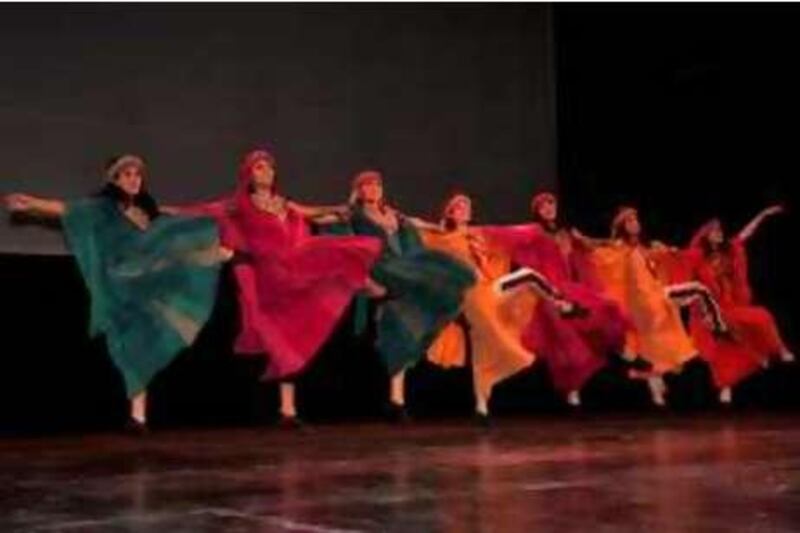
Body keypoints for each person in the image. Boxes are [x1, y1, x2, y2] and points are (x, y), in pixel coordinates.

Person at [5, 154, 228, 432]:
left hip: (145, 284)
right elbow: (68, 209)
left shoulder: (147, 211)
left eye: (137, 175)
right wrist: (32, 203)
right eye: (127, 174)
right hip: (119, 285)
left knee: (139, 345)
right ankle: (136, 414)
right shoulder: (102, 208)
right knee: (127, 346)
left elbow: (171, 236)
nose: (134, 179)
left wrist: (208, 248)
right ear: (115, 179)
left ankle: (138, 417)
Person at [168, 149, 385, 426]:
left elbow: (313, 213)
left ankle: (288, 411)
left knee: (291, 335)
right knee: (323, 266)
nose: (267, 171)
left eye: (270, 167)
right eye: (259, 167)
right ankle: (363, 284)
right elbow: (200, 210)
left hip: (293, 266)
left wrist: (341, 209)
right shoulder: (239, 205)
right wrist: (163, 211)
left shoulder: (284, 203)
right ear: (248, 174)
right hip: (270, 275)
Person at [421, 193, 582, 423]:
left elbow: (508, 234)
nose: (465, 209)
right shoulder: (444, 237)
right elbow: (421, 232)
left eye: (467, 205)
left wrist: (534, 230)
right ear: (450, 212)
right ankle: (561, 304)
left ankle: (481, 408)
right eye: (459, 206)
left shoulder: (476, 235)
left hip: (488, 293)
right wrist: (403, 219)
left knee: (483, 346)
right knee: (484, 346)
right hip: (472, 297)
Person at [342, 171, 476, 420]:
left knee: (399, 332)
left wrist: (440, 226)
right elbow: (326, 217)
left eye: (377, 184)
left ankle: (396, 400)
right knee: (429, 276)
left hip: (401, 272)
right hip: (382, 270)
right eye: (367, 185)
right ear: (358, 190)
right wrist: (291, 207)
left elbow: (416, 223)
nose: (373, 188)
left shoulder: (393, 214)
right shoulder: (354, 213)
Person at [481, 192, 628, 407]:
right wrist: (476, 232)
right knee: (565, 337)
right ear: (537, 212)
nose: (549, 208)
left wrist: (611, 242)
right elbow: (508, 234)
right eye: (543, 206)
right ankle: (572, 392)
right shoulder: (534, 230)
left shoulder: (566, 233)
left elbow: (591, 245)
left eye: (551, 204)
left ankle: (623, 357)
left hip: (569, 288)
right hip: (546, 289)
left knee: (605, 309)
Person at [588, 206, 730, 406]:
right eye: (629, 221)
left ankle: (654, 388)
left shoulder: (643, 248)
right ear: (622, 226)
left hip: (653, 303)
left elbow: (657, 259)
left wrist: (666, 252)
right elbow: (602, 247)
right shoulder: (620, 247)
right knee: (698, 289)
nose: (634, 223)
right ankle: (718, 326)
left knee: (655, 352)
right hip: (646, 303)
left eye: (636, 219)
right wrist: (583, 241)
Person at [683, 206, 794, 404]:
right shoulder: (697, 256)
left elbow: (746, 233)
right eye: (714, 232)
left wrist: (762, 215)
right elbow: (681, 264)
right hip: (710, 310)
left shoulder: (730, 249)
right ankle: (726, 387)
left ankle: (780, 349)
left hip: (731, 306)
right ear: (706, 236)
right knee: (721, 349)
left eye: (720, 231)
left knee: (762, 316)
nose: (719, 234)